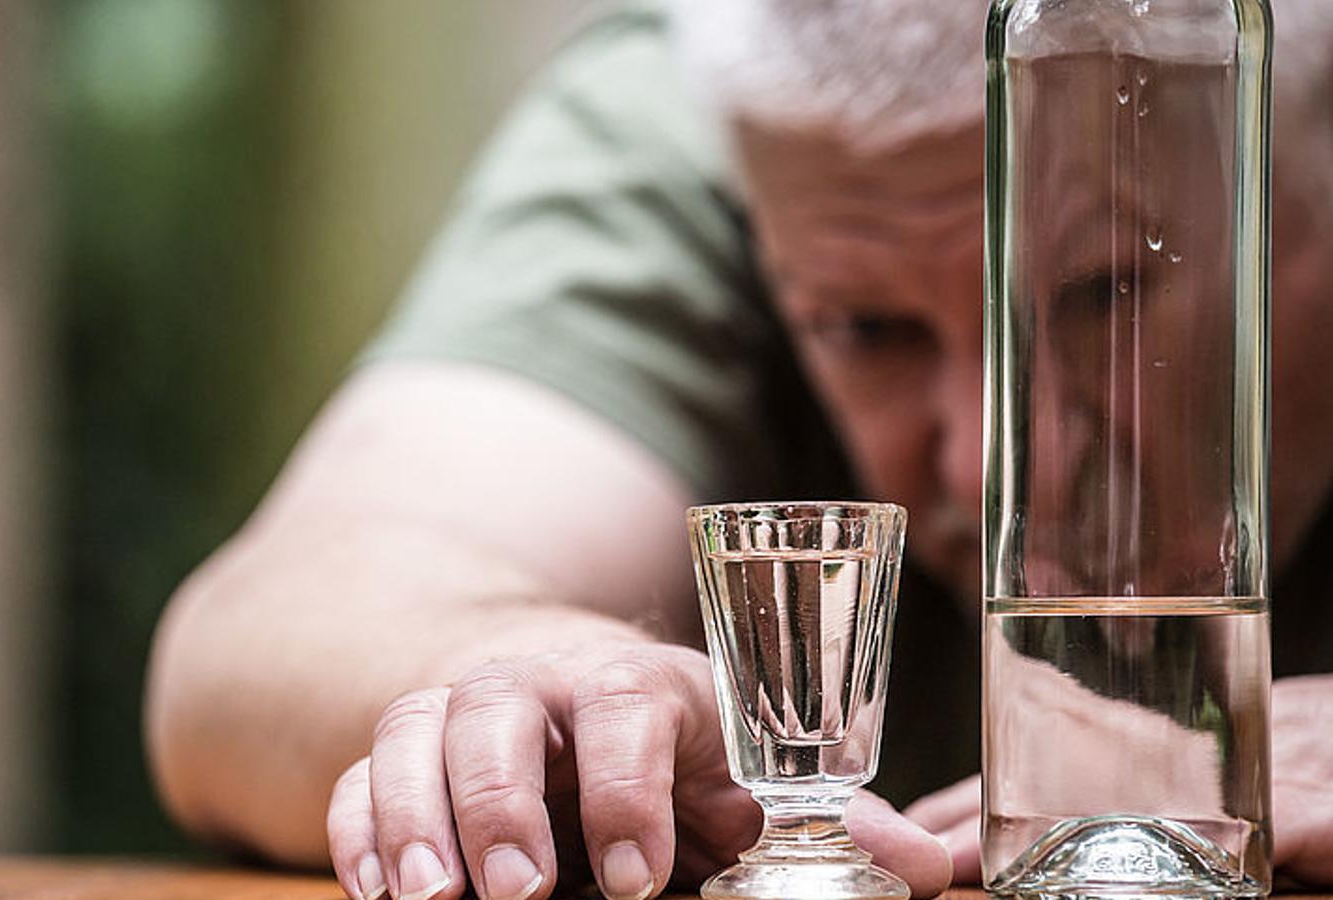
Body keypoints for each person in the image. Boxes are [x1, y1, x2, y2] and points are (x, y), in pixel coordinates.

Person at [144, 1, 1333, 898]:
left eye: (1108, 290)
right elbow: (256, 641)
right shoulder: (695, 117)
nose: (984, 462)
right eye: (868, 330)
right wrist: (563, 691)